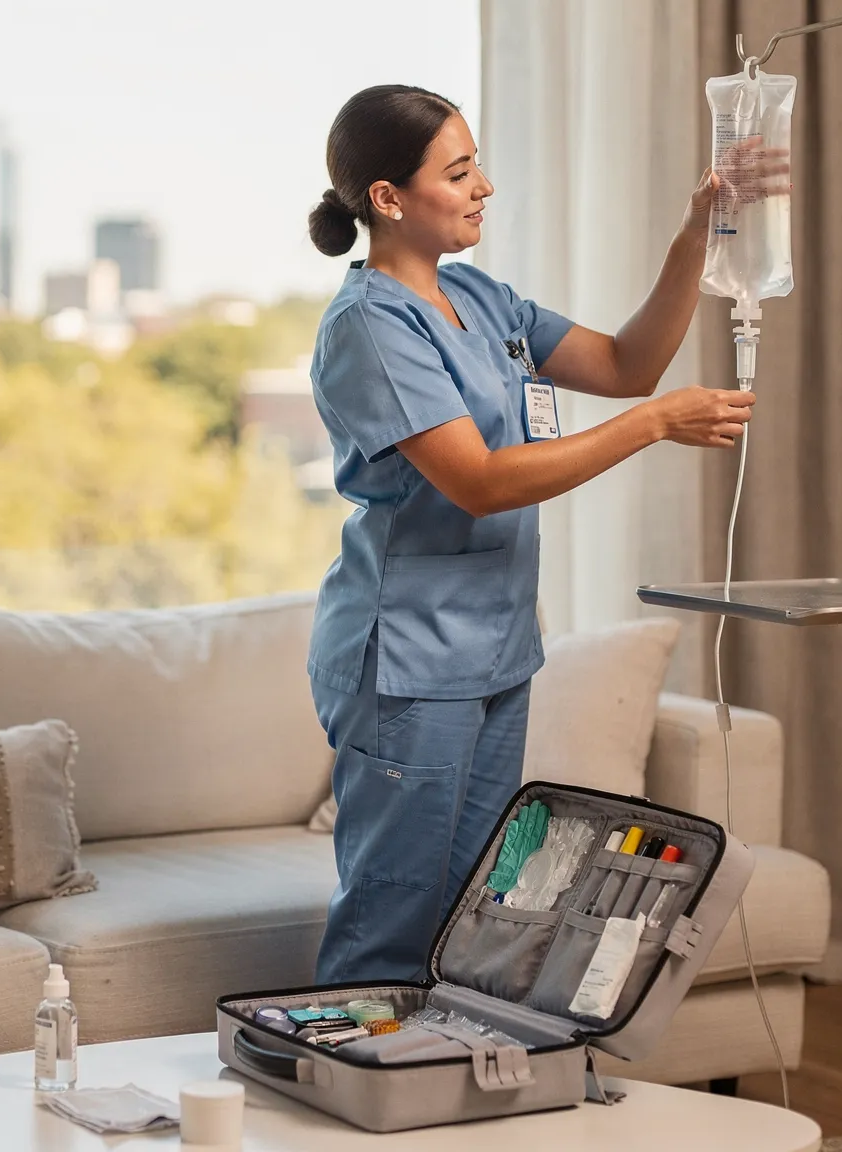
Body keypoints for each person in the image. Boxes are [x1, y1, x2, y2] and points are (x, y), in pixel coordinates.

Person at [305, 85, 762, 984]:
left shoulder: (482, 298)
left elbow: (627, 365)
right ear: (389, 199)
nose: (483, 188)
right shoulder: (368, 326)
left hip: (497, 653)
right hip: (408, 660)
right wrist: (657, 427)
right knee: (395, 913)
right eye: (459, 171)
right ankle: (348, 1097)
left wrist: (694, 237)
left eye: (479, 166)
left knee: (479, 918)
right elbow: (476, 482)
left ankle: (443, 1102)